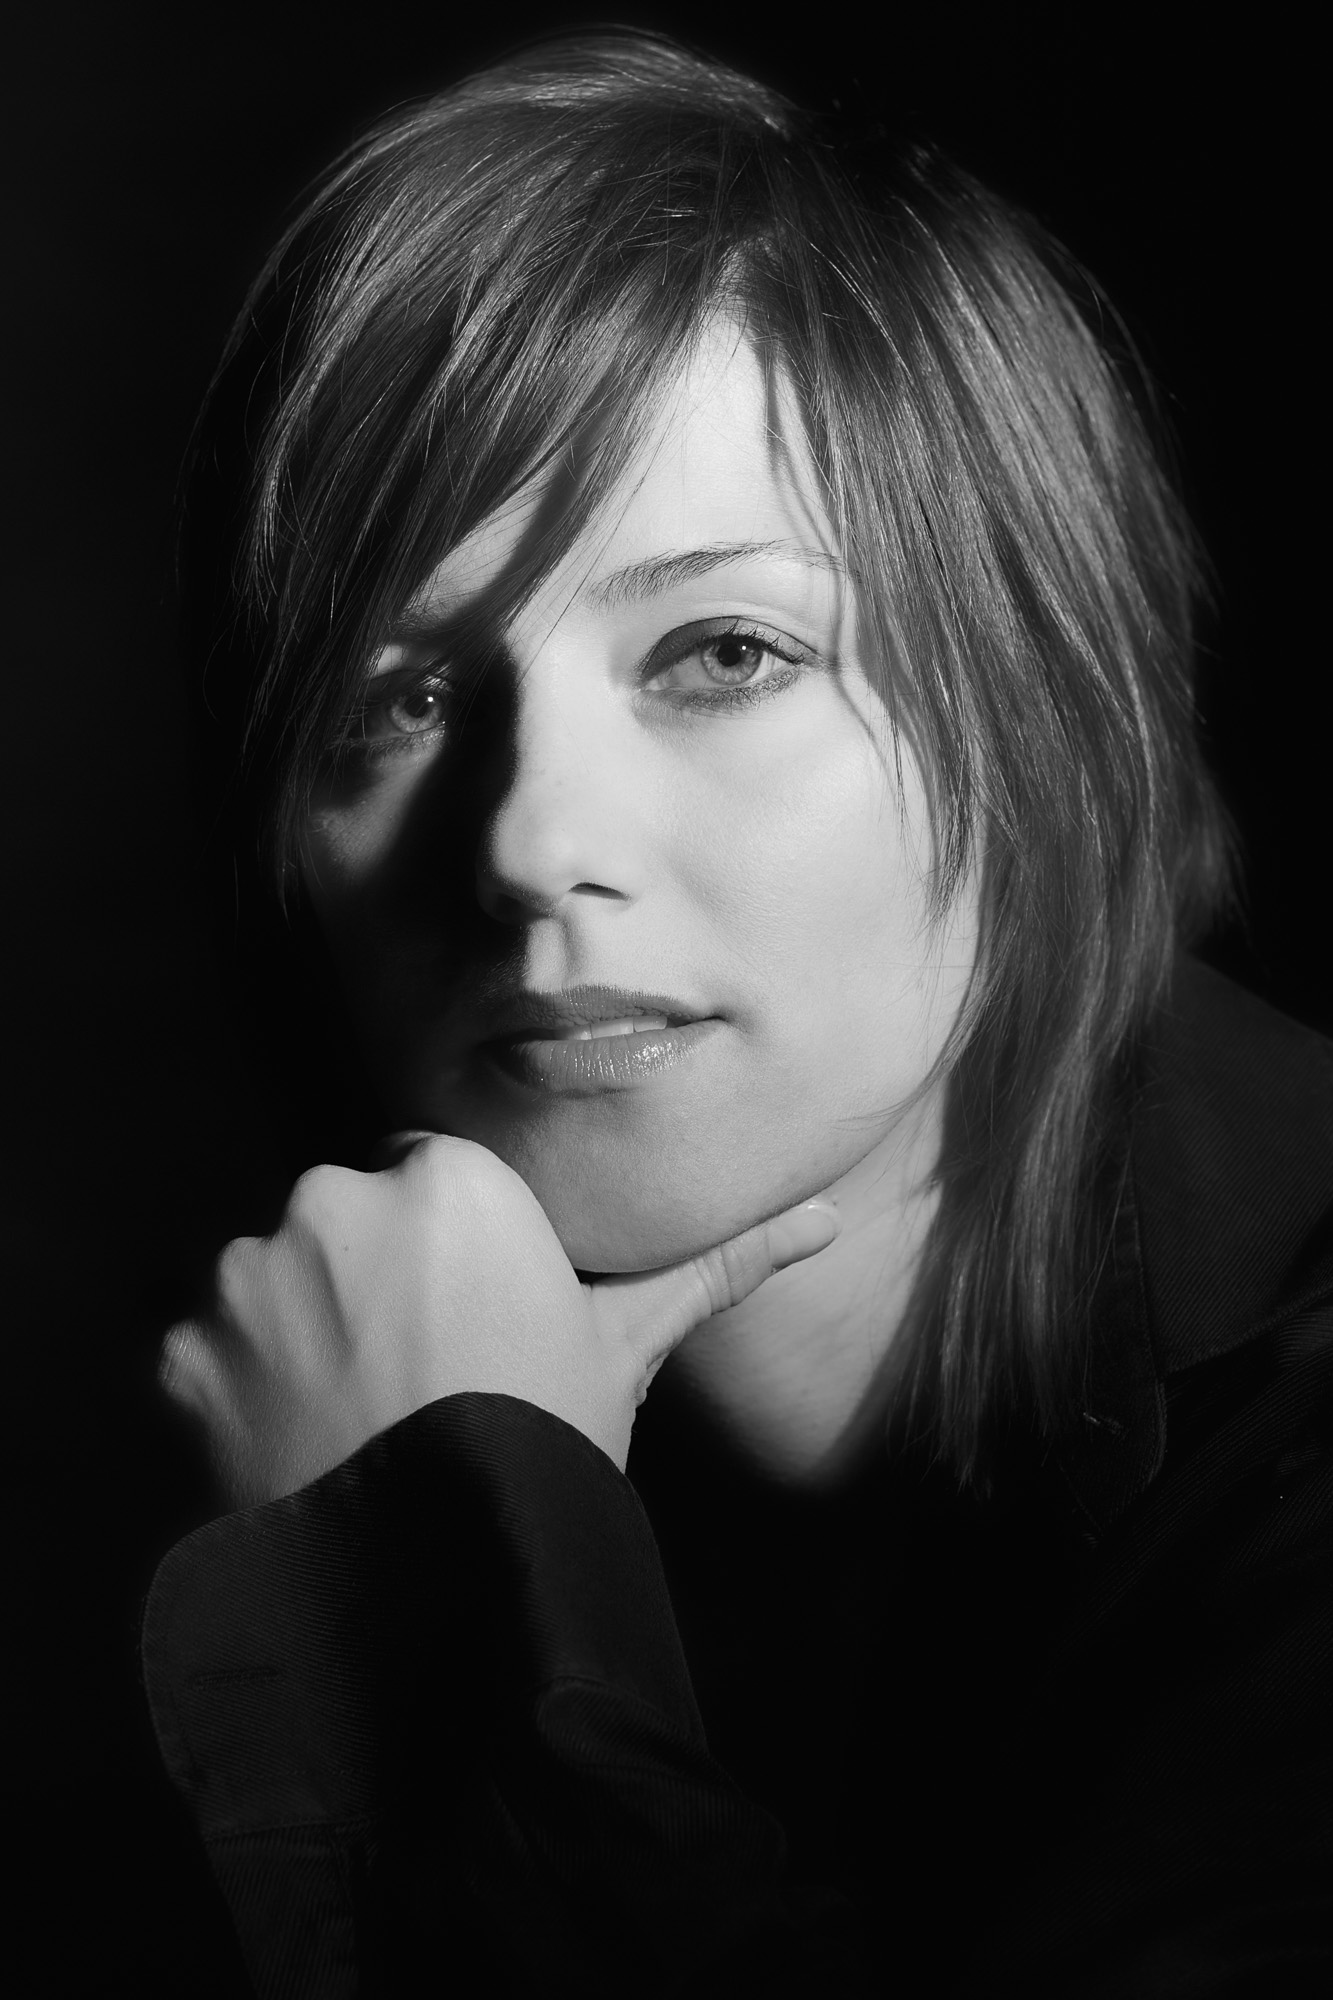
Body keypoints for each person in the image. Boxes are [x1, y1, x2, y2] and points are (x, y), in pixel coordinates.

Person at [142, 28, 1333, 1997]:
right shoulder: (329, 1394)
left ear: (1041, 710)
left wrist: (434, 1595)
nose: (528, 843)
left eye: (720, 652)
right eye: (401, 697)